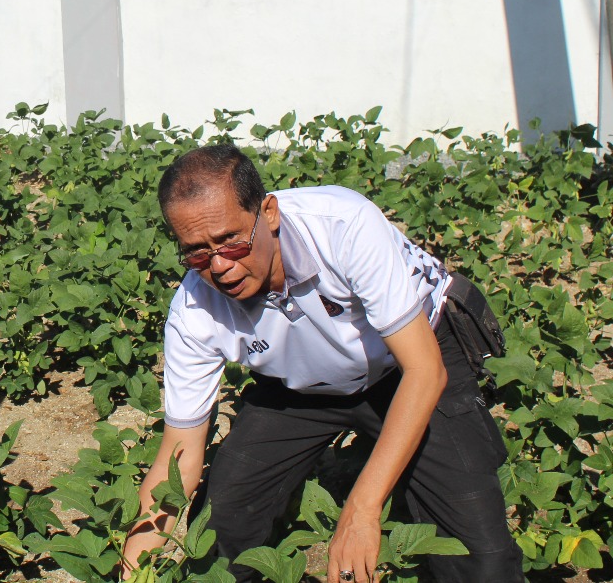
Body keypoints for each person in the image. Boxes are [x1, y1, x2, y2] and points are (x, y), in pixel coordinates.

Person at [122, 144, 522, 583]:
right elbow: (179, 456)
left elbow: (425, 371)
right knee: (226, 516)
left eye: (230, 242)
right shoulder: (193, 312)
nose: (219, 267)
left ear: (269, 213)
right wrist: (133, 568)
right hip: (303, 388)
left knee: (478, 554)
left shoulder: (343, 226)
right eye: (196, 252)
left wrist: (361, 509)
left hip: (407, 363)